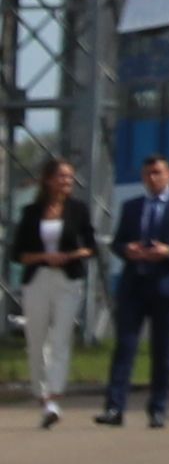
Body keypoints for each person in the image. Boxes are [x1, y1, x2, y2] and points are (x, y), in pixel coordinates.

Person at [97, 154, 169, 429]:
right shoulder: (132, 207)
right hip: (135, 285)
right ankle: (114, 408)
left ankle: (157, 409)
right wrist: (127, 250)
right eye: (147, 174)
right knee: (125, 347)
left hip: (166, 286)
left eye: (157, 173)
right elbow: (117, 242)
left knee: (162, 351)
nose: (152, 178)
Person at [15, 161, 93, 427]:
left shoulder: (79, 210)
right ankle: (41, 394)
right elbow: (18, 254)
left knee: (60, 339)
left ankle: (53, 399)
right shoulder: (31, 212)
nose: (67, 181)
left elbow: (90, 247)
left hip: (68, 281)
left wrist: (70, 255)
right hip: (37, 279)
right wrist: (45, 256)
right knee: (37, 340)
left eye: (70, 177)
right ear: (48, 180)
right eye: (62, 176)